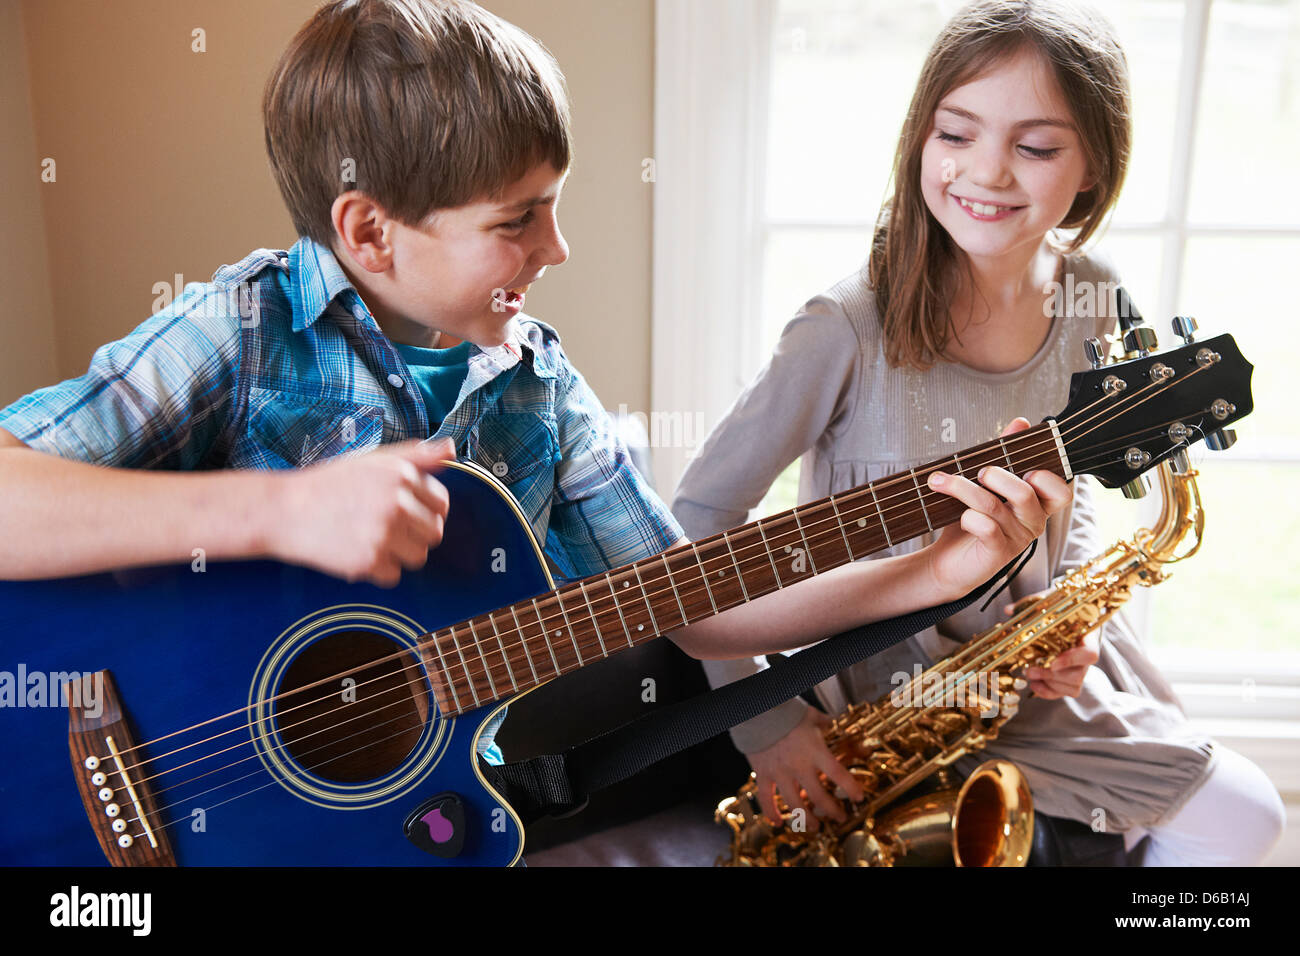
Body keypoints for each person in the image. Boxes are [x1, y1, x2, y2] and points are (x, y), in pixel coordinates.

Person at [0, 0, 1066, 773]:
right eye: (516, 220)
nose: (558, 246)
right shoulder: (239, 330)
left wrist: (938, 571)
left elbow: (695, 604)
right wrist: (275, 506)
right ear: (368, 229)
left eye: (553, 205)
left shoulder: (536, 378)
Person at [672, 0, 1284, 866]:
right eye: (956, 134)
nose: (987, 173)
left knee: (1252, 817)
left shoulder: (1094, 297)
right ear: (920, 138)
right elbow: (690, 533)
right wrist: (768, 727)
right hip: (875, 694)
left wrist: (1073, 625)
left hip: (1025, 682)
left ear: (1093, 168)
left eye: (1035, 148)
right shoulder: (842, 325)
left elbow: (1081, 498)